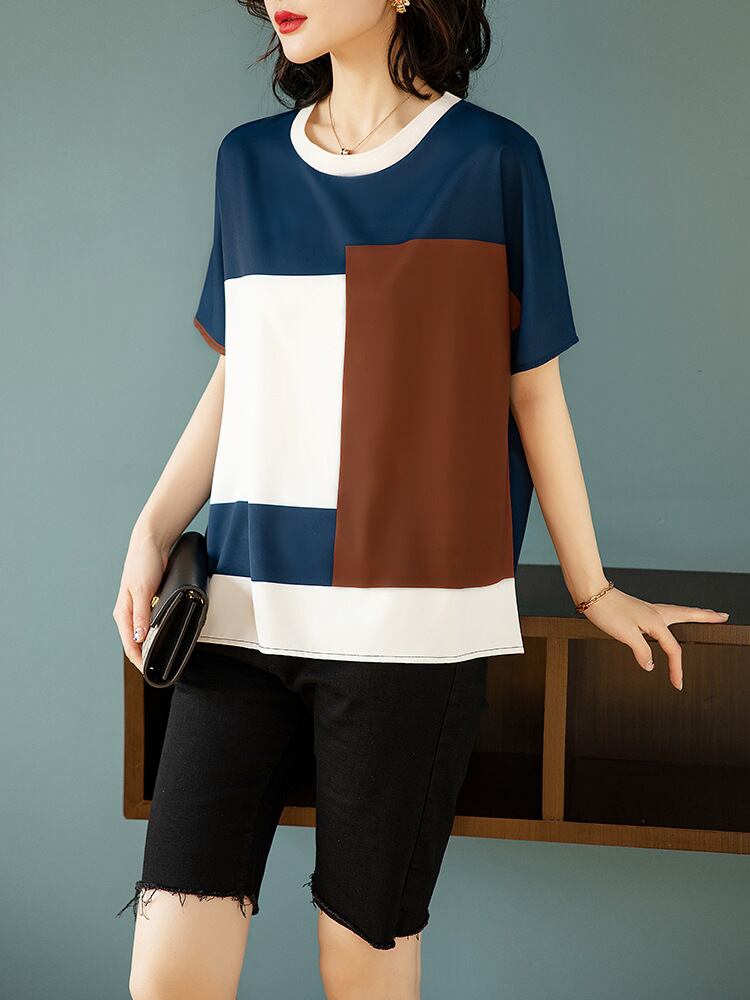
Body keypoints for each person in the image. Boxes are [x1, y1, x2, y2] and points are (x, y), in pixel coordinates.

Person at [112, 1, 730, 997]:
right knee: (169, 968)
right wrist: (152, 527)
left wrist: (593, 587)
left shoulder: (491, 161)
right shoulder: (248, 162)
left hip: (410, 629)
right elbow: (242, 373)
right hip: (242, 607)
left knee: (359, 963)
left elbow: (533, 390)